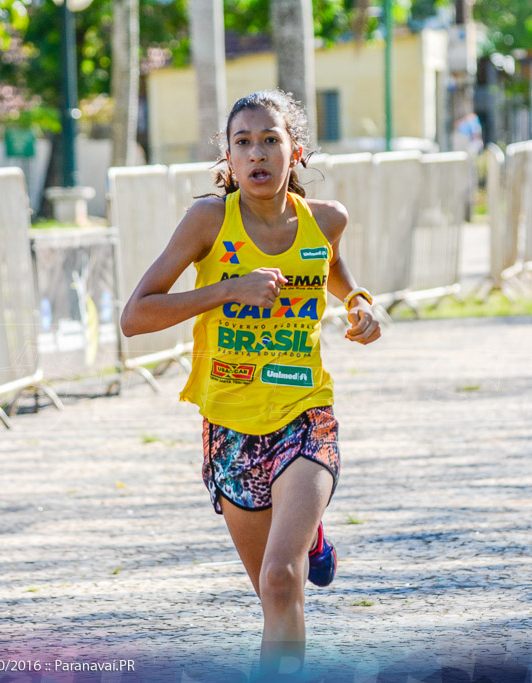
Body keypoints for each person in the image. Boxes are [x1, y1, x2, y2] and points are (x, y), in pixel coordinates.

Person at [119, 90, 381, 678]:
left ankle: (302, 539)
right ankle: (310, 537)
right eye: (244, 143)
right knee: (272, 597)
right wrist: (224, 290)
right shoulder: (209, 221)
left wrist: (362, 303)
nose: (257, 153)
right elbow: (135, 317)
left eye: (271, 140)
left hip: (303, 412)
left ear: (296, 152)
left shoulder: (328, 218)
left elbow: (328, 265)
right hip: (231, 424)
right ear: (228, 161)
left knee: (281, 579)